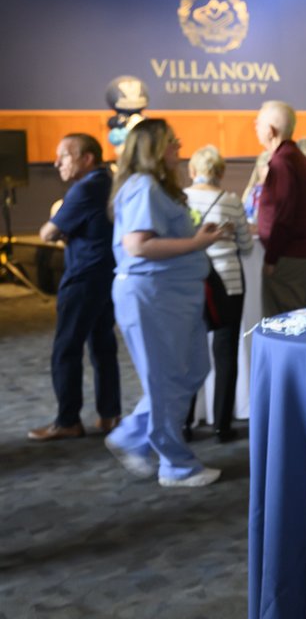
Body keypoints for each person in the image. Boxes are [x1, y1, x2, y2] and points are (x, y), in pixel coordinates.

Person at [104, 119, 225, 487]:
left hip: (171, 298)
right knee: (166, 380)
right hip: (152, 298)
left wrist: (195, 239)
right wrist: (196, 245)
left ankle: (133, 436)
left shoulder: (156, 187)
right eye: (172, 141)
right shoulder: (143, 186)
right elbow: (138, 245)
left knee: (191, 371)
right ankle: (175, 464)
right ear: (154, 147)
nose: (178, 145)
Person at [28, 133, 121, 441]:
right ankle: (109, 415)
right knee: (102, 346)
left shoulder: (85, 188)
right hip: (105, 274)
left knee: (66, 349)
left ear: (87, 158)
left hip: (83, 278)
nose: (56, 164)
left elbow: (47, 233)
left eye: (64, 156)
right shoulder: (108, 181)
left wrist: (57, 216)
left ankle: (68, 420)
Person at [184, 145, 254, 443]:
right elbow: (247, 246)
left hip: (192, 283)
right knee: (225, 354)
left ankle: (185, 423)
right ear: (221, 172)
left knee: (187, 353)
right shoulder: (231, 201)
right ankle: (221, 426)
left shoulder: (182, 199)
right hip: (229, 283)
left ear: (192, 170)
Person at [255, 100, 306, 317]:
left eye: (258, 123)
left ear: (270, 130)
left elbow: (283, 215)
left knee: (284, 325)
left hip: (287, 260)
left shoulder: (282, 163)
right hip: (305, 257)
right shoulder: (300, 159)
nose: (256, 128)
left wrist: (271, 259)